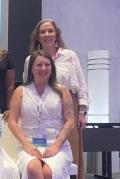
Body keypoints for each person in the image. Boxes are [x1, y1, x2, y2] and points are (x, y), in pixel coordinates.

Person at [23, 19, 88, 178]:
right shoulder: (29, 60)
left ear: (56, 34)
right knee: (41, 154)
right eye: (42, 32)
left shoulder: (69, 56)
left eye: (50, 31)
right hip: (41, 107)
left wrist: (81, 112)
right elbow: (27, 86)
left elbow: (80, 84)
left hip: (67, 108)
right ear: (37, 37)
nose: (46, 35)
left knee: (69, 153)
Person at [9, 50, 74, 178]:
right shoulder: (20, 91)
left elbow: (70, 120)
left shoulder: (62, 91)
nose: (43, 68)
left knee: (48, 172)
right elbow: (12, 121)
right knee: (34, 168)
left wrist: (56, 145)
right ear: (31, 68)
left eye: (47, 65)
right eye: (39, 65)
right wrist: (27, 146)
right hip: (29, 145)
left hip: (57, 146)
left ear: (52, 68)